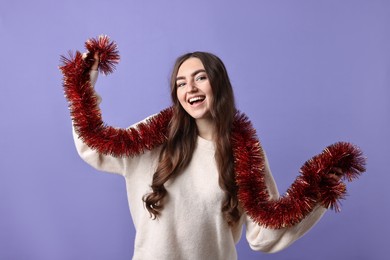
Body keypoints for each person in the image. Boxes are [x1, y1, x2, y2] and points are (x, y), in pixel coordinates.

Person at [61, 36, 365, 260]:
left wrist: (319, 190)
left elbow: (264, 233)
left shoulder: (245, 152)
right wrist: (84, 86)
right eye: (181, 83)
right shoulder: (155, 137)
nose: (189, 88)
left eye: (200, 78)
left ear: (218, 85)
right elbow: (97, 147)